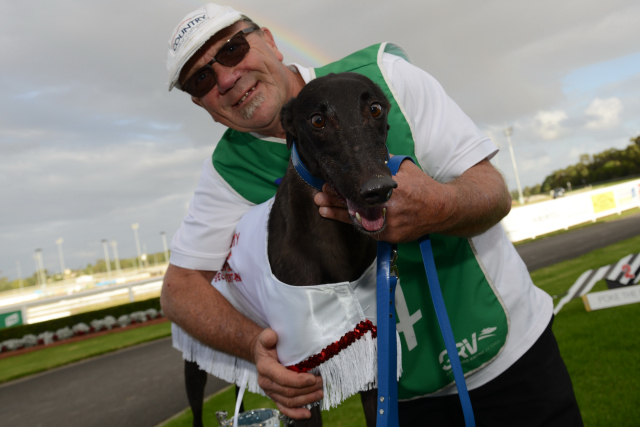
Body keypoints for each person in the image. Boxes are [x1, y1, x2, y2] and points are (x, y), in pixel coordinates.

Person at [161, 4, 583, 425]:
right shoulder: (226, 172)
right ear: (202, 104)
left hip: (510, 358)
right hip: (395, 401)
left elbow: (492, 192)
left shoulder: (386, 76)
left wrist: (438, 207)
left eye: (233, 49)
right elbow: (179, 290)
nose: (227, 78)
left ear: (269, 41)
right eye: (201, 78)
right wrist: (255, 346)